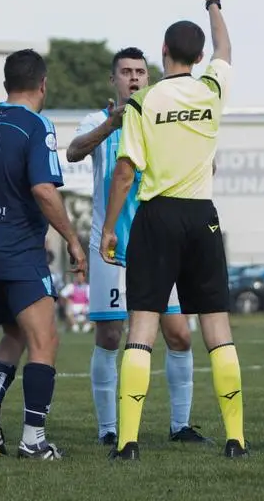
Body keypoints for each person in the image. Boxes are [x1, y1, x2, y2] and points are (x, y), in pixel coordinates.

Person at [99, 0, 248, 460]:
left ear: (163, 52)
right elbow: (226, 46)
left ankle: (127, 442)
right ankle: (235, 440)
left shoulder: (142, 102)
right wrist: (213, 0)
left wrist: (107, 228)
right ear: (199, 56)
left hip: (156, 217)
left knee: (141, 329)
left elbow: (125, 172)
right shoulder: (212, 89)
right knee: (217, 331)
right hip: (202, 217)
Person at [66, 47, 206, 446]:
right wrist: (111, 126)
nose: (133, 78)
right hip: (110, 246)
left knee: (178, 334)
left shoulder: (161, 117)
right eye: (125, 72)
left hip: (160, 246)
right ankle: (108, 430)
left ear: (149, 78)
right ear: (113, 80)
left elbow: (201, 163)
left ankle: (180, 426)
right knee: (110, 336)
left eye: (140, 72)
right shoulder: (99, 119)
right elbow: (73, 152)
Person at [0, 49, 87, 460]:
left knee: (14, 333)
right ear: (43, 84)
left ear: (6, 83)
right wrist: (71, 238)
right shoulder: (37, 126)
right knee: (45, 340)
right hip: (17, 251)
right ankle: (33, 439)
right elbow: (44, 190)